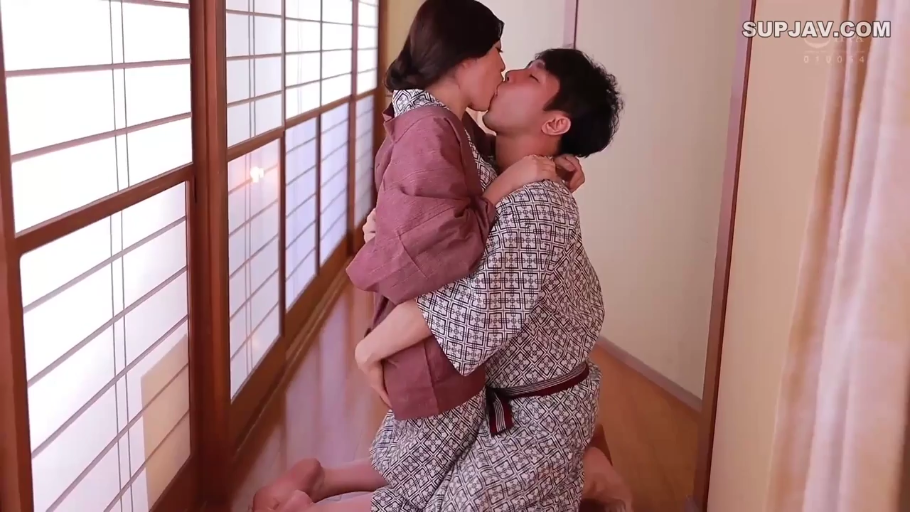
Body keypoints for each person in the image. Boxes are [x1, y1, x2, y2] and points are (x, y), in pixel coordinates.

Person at [259, 47, 632, 511]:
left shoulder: (539, 205)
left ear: (556, 123)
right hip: (491, 392)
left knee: (447, 496)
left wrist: (370, 348)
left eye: (532, 78)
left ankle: (587, 472)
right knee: (427, 466)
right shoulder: (482, 161)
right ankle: (321, 484)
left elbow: (466, 310)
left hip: (539, 416)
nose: (511, 71)